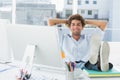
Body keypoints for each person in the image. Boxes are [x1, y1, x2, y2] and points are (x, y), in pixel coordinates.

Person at [48, 14, 113, 74]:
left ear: (82, 27)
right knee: (96, 66)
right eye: (73, 24)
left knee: (98, 66)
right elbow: (50, 22)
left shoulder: (88, 38)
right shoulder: (63, 37)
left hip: (86, 65)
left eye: (78, 24)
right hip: (69, 65)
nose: (76, 27)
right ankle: (99, 63)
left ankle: (99, 63)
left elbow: (103, 24)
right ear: (69, 26)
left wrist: (85, 21)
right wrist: (67, 21)